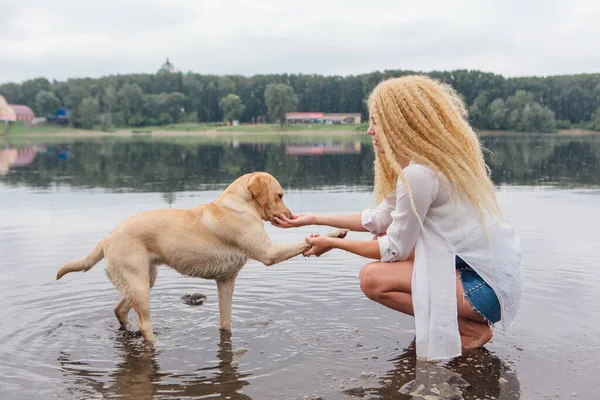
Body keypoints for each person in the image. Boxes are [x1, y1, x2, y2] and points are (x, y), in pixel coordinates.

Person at [273, 75, 522, 361]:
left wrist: (334, 244)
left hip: (483, 290)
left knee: (372, 278)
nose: (369, 131)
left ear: (400, 123)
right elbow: (380, 218)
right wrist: (315, 218)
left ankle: (467, 329)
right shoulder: (424, 165)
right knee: (382, 241)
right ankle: (462, 322)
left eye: (376, 122)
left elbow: (393, 249)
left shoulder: (420, 174)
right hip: (490, 279)